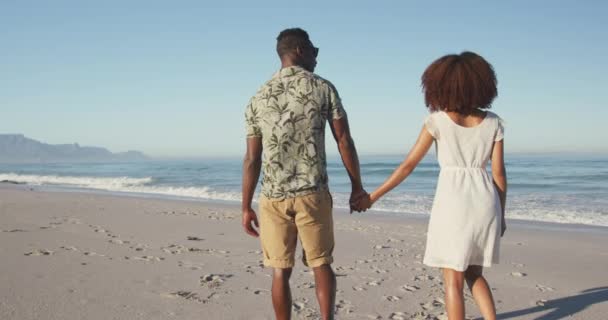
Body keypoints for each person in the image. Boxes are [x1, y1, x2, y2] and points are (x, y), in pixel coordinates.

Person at [354, 51, 507, 320]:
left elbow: (407, 166)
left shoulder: (437, 121)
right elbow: (499, 175)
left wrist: (374, 196)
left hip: (453, 203)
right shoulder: (493, 122)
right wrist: (502, 215)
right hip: (485, 202)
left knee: (452, 280)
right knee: (474, 273)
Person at [241, 28, 367, 320]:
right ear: (299, 50)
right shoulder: (323, 88)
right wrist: (357, 186)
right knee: (321, 264)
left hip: (273, 198)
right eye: (314, 49)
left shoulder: (257, 97)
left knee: (279, 272)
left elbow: (251, 158)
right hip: (313, 193)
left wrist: (246, 206)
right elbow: (344, 140)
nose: (317, 56)